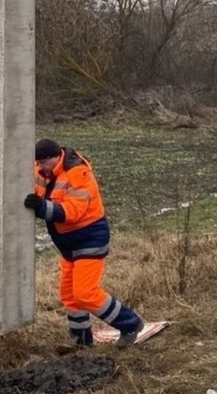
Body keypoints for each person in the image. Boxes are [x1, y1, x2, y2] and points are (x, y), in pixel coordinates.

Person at [24, 138, 143, 349]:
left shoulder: (79, 173)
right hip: (68, 244)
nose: (39, 167)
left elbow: (72, 212)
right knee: (70, 296)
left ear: (55, 157)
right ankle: (82, 343)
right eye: (38, 163)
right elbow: (28, 190)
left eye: (42, 162)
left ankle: (131, 324)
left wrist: (42, 208)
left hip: (90, 238)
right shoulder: (43, 168)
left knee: (85, 293)